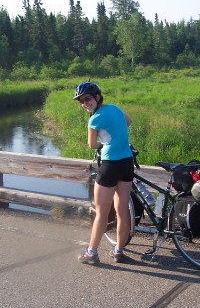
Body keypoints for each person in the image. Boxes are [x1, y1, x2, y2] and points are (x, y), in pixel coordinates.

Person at [73, 81, 133, 264]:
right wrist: (116, 137)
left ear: (97, 97)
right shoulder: (114, 108)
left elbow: (92, 144)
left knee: (101, 212)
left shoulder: (94, 119)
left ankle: (91, 253)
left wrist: (103, 144)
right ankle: (118, 251)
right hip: (127, 162)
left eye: (87, 99)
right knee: (122, 210)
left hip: (110, 166)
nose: (84, 103)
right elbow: (128, 121)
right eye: (81, 101)